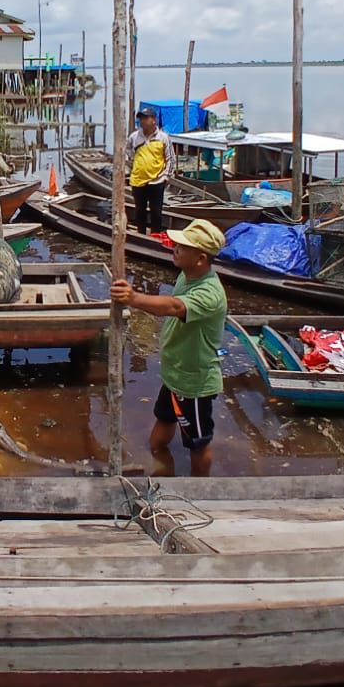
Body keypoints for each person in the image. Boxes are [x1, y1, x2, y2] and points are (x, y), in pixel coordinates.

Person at [110, 219, 227, 476]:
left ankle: (200, 487)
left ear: (201, 259)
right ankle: (159, 466)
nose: (175, 248)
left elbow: (174, 307)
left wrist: (134, 298)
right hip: (175, 373)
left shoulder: (210, 293)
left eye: (183, 247)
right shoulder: (188, 274)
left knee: (198, 442)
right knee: (164, 419)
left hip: (194, 382)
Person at [124, 106, 176, 234]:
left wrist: (166, 176)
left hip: (157, 181)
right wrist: (136, 163)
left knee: (156, 212)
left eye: (145, 118)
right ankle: (141, 235)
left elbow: (170, 158)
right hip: (138, 180)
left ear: (153, 119)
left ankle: (155, 236)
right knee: (139, 211)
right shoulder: (134, 137)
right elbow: (127, 151)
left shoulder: (163, 138)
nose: (142, 121)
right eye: (141, 118)